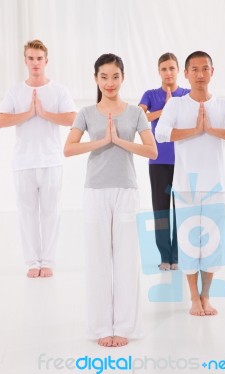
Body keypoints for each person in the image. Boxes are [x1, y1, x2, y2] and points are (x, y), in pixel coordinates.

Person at [64, 53, 157, 346]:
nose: (110, 82)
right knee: (98, 259)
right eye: (103, 77)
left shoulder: (136, 113)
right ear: (95, 79)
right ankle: (102, 327)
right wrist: (103, 141)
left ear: (123, 77)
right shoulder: (87, 113)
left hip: (126, 190)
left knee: (126, 260)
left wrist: (118, 141)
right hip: (96, 191)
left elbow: (151, 151)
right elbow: (68, 149)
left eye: (115, 76)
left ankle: (126, 327)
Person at [155, 51, 225, 316]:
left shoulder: (224, 106)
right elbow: (161, 134)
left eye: (204, 69)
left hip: (215, 187)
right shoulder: (176, 104)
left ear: (212, 72)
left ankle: (206, 296)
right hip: (185, 187)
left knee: (212, 245)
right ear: (185, 74)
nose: (199, 74)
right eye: (194, 69)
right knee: (187, 245)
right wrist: (194, 131)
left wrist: (211, 130)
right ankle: (193, 299)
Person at [0, 39, 77, 278]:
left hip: (51, 160)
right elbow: (0, 121)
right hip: (23, 162)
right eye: (31, 58)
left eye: (39, 58)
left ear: (46, 61)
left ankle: (48, 261)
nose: (35, 63)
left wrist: (44, 113)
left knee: (51, 212)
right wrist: (29, 113)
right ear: (25, 61)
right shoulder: (15, 91)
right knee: (27, 213)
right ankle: (32, 262)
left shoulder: (59, 90)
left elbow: (72, 118)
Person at [139, 53, 190, 271]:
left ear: (178, 70)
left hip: (183, 161)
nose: (168, 73)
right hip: (158, 160)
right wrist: (165, 109)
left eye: (171, 68)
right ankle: (165, 257)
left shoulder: (187, 94)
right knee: (161, 210)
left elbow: (192, 118)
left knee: (181, 209)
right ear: (158, 71)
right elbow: (139, 118)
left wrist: (175, 106)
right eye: (164, 69)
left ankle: (177, 256)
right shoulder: (150, 95)